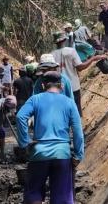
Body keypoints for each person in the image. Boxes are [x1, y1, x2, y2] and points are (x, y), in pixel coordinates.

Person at [16, 71, 84, 204]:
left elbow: (20, 117)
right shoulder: (69, 103)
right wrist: (78, 155)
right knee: (62, 198)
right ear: (62, 85)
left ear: (43, 85)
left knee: (34, 193)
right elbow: (77, 131)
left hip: (39, 153)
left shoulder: (35, 99)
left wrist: (25, 143)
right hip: (62, 154)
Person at [52, 32, 106, 117]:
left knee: (63, 113)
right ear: (64, 40)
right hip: (73, 86)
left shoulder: (52, 55)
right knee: (76, 111)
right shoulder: (71, 51)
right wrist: (93, 58)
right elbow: (80, 67)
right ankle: (77, 128)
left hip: (59, 88)